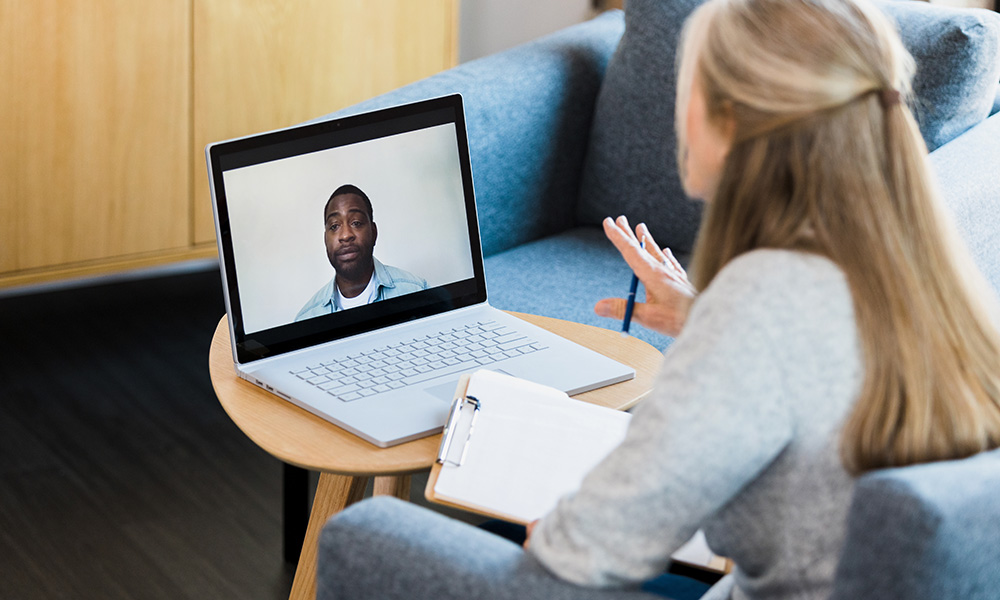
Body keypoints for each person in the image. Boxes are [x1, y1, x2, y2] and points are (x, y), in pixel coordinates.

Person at [322, 0, 1000, 598]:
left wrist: (552, 525)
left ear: (729, 120)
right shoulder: (923, 269)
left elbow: (581, 553)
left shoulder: (763, 302)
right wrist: (704, 315)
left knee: (366, 535)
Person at [295, 184, 427, 320]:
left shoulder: (416, 292)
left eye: (356, 223)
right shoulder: (306, 319)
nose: (345, 235)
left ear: (374, 232)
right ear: (325, 240)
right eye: (334, 226)